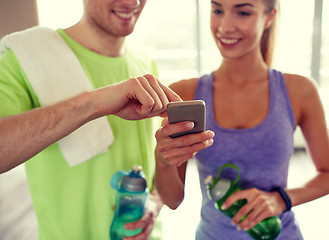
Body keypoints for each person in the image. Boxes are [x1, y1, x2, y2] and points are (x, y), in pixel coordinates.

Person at [0, 0, 214, 239]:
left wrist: (154, 203)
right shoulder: (23, 59)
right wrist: (95, 103)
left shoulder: (146, 66)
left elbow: (162, 187)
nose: (132, 2)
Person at [154, 0, 329, 239]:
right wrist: (162, 160)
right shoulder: (184, 94)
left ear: (270, 16)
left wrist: (280, 199)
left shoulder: (300, 90)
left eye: (242, 12)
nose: (225, 26)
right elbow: (172, 200)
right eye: (217, 10)